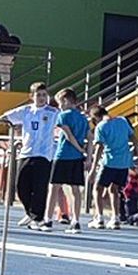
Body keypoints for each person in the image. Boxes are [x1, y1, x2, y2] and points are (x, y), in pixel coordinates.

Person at [4, 82, 59, 229]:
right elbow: (7, 117)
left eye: (44, 95)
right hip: (27, 152)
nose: (41, 98)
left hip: (44, 154)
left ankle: (38, 218)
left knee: (39, 187)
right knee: (21, 186)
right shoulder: (26, 111)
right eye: (38, 95)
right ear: (31, 96)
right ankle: (30, 213)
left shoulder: (53, 112)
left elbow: (64, 121)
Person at [48, 87, 89, 233]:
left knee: (54, 187)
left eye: (60, 103)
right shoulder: (83, 118)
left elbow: (68, 135)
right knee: (75, 189)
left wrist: (80, 149)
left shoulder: (63, 116)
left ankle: (48, 219)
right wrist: (88, 156)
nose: (59, 106)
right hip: (77, 158)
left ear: (65, 100)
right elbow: (90, 137)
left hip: (63, 154)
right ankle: (76, 220)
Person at [89, 102, 135, 230]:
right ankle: (115, 217)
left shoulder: (101, 126)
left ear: (95, 118)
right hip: (123, 162)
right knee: (114, 189)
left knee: (97, 188)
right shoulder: (122, 121)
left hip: (109, 161)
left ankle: (99, 217)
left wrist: (93, 168)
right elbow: (132, 137)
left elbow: (99, 147)